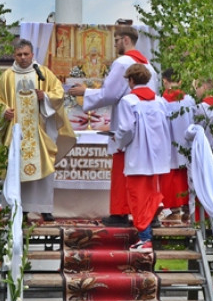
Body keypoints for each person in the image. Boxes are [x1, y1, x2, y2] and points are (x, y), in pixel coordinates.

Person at [67, 25, 156, 226]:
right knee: (145, 173)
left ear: (125, 40)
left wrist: (85, 92)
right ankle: (148, 212)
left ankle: (120, 212)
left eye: (116, 41)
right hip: (147, 127)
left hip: (126, 122)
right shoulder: (149, 66)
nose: (114, 45)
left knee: (121, 170)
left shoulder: (123, 62)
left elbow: (110, 93)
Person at [0, 39, 76, 222]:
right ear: (14, 55)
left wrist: (44, 96)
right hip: (17, 132)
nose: (22, 58)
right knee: (17, 170)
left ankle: (44, 208)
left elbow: (58, 93)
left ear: (32, 55)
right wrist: (3, 111)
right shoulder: (7, 77)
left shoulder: (43, 73)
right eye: (19, 55)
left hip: (40, 131)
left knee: (44, 170)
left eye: (26, 54)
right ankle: (19, 209)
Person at [112, 64, 171, 250]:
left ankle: (145, 238)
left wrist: (119, 142)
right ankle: (157, 203)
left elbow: (126, 129)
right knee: (151, 190)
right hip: (158, 156)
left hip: (138, 155)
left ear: (131, 81)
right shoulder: (160, 101)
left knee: (137, 196)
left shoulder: (128, 101)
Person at [160, 68, 196, 222]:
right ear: (180, 81)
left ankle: (173, 209)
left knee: (169, 177)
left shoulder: (160, 102)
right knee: (185, 176)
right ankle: (187, 207)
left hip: (167, 145)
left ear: (164, 81)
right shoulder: (189, 100)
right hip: (185, 144)